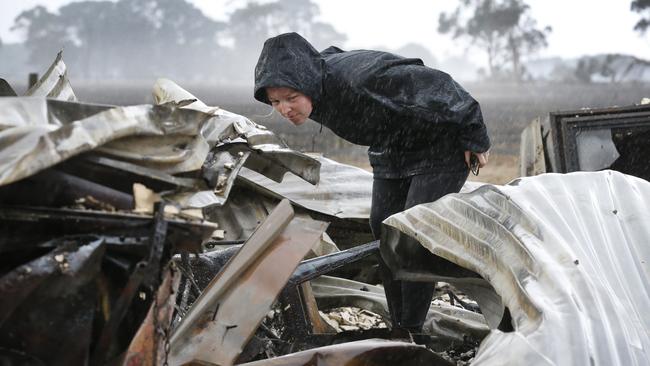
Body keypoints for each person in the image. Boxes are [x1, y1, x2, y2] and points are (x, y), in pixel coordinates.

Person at [254, 32, 490, 335]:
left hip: (439, 146)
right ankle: (399, 328)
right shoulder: (314, 78)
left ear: (307, 82)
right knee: (384, 231)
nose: (284, 109)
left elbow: (438, 85)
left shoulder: (361, 78)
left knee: (413, 235)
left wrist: (475, 135)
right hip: (392, 147)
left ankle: (413, 333)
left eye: (291, 98)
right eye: (275, 101)